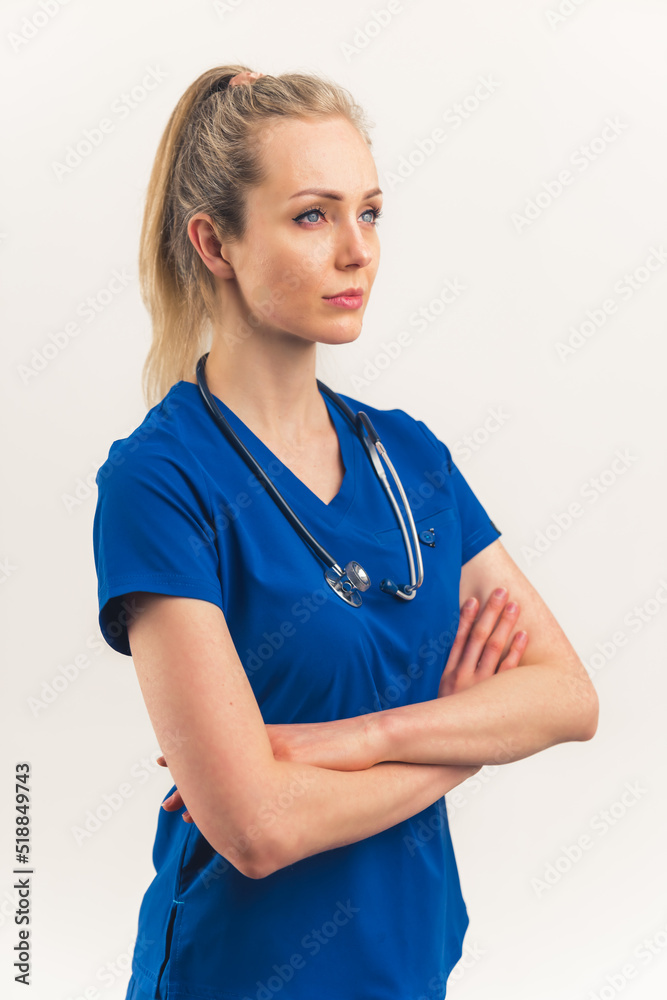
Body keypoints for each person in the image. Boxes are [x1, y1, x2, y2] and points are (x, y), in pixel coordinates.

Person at [92, 64, 599, 1000]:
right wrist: (468, 740)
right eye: (311, 216)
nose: (357, 251)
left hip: (410, 966)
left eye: (369, 212)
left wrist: (356, 739)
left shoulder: (410, 459)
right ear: (214, 242)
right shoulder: (159, 482)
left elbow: (567, 697)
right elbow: (257, 829)